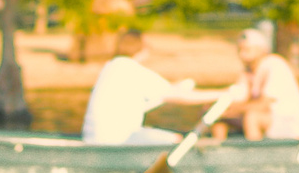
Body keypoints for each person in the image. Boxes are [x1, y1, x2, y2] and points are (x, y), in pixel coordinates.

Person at [79, 31, 217, 145]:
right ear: (142, 48)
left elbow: (161, 93)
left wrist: (177, 87)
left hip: (93, 139)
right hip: (118, 140)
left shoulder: (112, 66)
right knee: (177, 140)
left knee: (152, 133)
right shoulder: (133, 70)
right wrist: (222, 94)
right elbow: (179, 97)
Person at [231, 23, 299, 141]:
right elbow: (239, 98)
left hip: (289, 124)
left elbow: (263, 104)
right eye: (239, 50)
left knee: (252, 117)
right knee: (221, 119)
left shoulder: (274, 64)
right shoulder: (248, 72)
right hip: (269, 120)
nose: (241, 54)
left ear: (261, 50)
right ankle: (217, 148)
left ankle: (255, 151)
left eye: (246, 49)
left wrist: (233, 109)